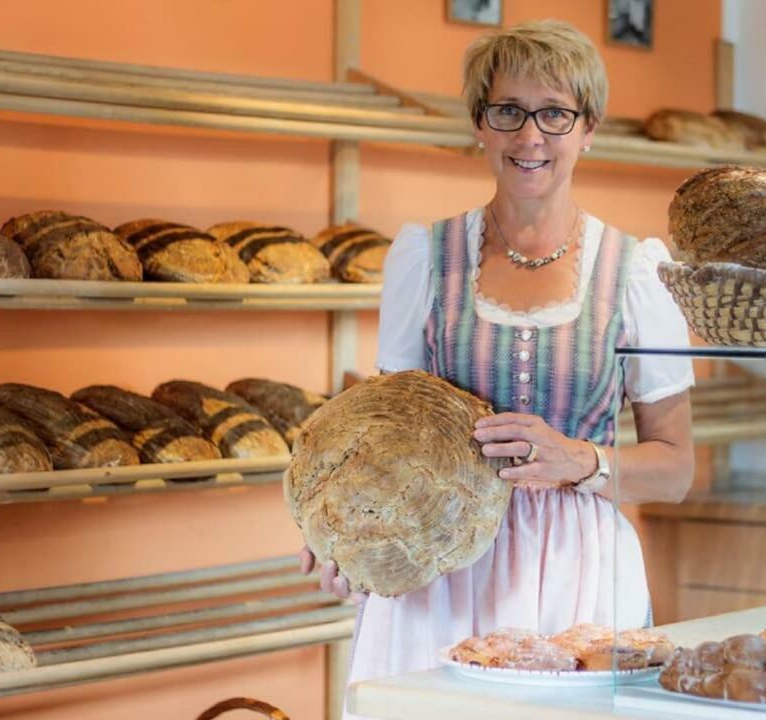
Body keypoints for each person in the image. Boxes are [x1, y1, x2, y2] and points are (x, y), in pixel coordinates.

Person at [300, 18, 695, 711]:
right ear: (480, 125)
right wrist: (343, 539)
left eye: (554, 114)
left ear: (588, 127)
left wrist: (581, 460)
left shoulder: (635, 272)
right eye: (507, 112)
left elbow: (677, 468)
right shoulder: (426, 257)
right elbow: (383, 441)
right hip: (439, 566)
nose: (530, 137)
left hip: (577, 569)